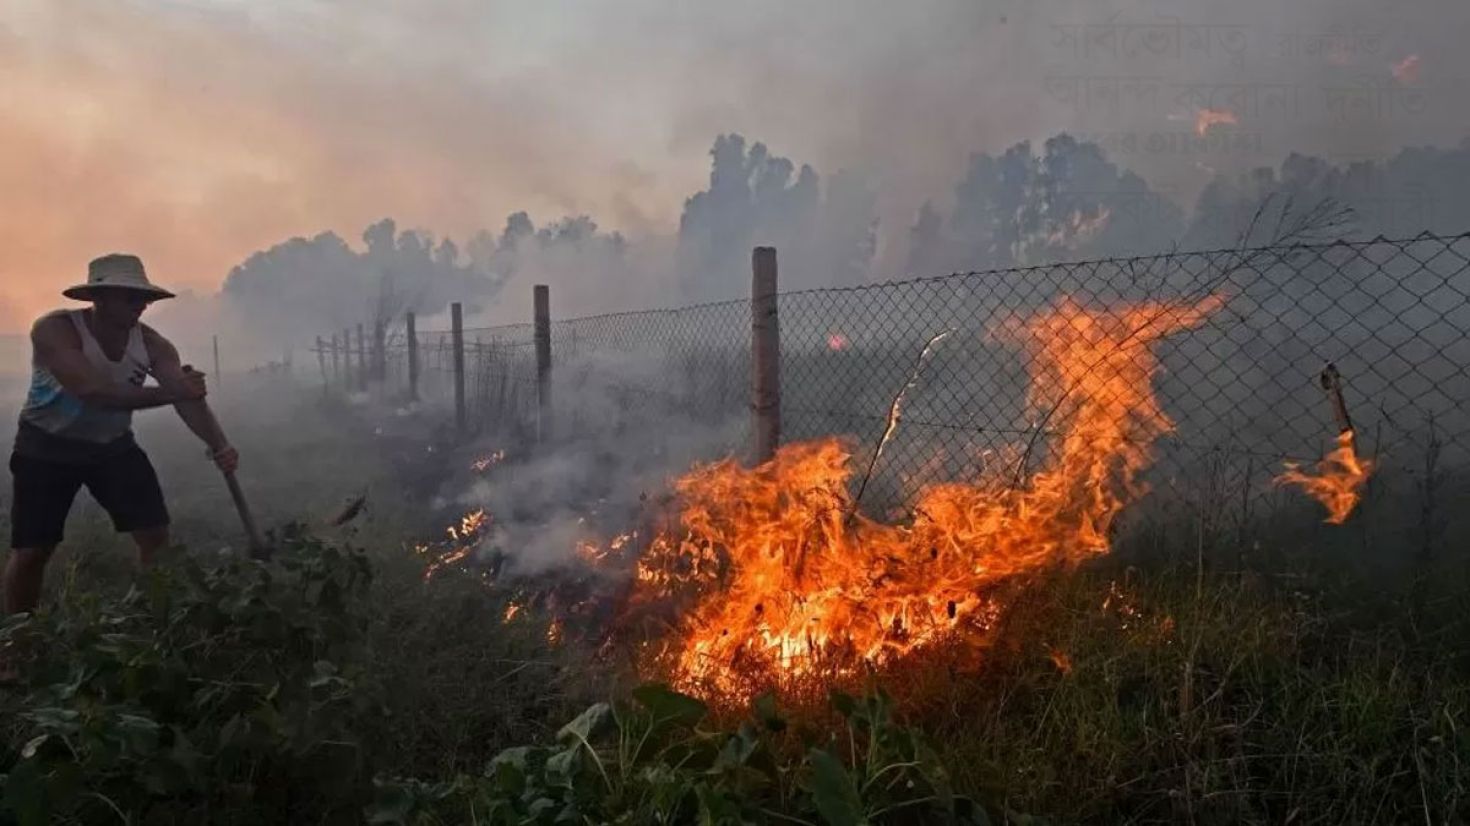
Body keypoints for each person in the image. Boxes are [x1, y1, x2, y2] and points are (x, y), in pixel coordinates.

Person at [4, 254, 239, 616]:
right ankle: (16, 644)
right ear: (99, 298)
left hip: (112, 448)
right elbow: (92, 392)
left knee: (155, 537)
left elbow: (188, 400)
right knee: (33, 550)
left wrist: (219, 444)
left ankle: (154, 621)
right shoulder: (56, 330)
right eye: (130, 297)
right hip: (45, 448)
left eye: (143, 297)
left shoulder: (154, 346)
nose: (141, 305)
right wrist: (176, 390)